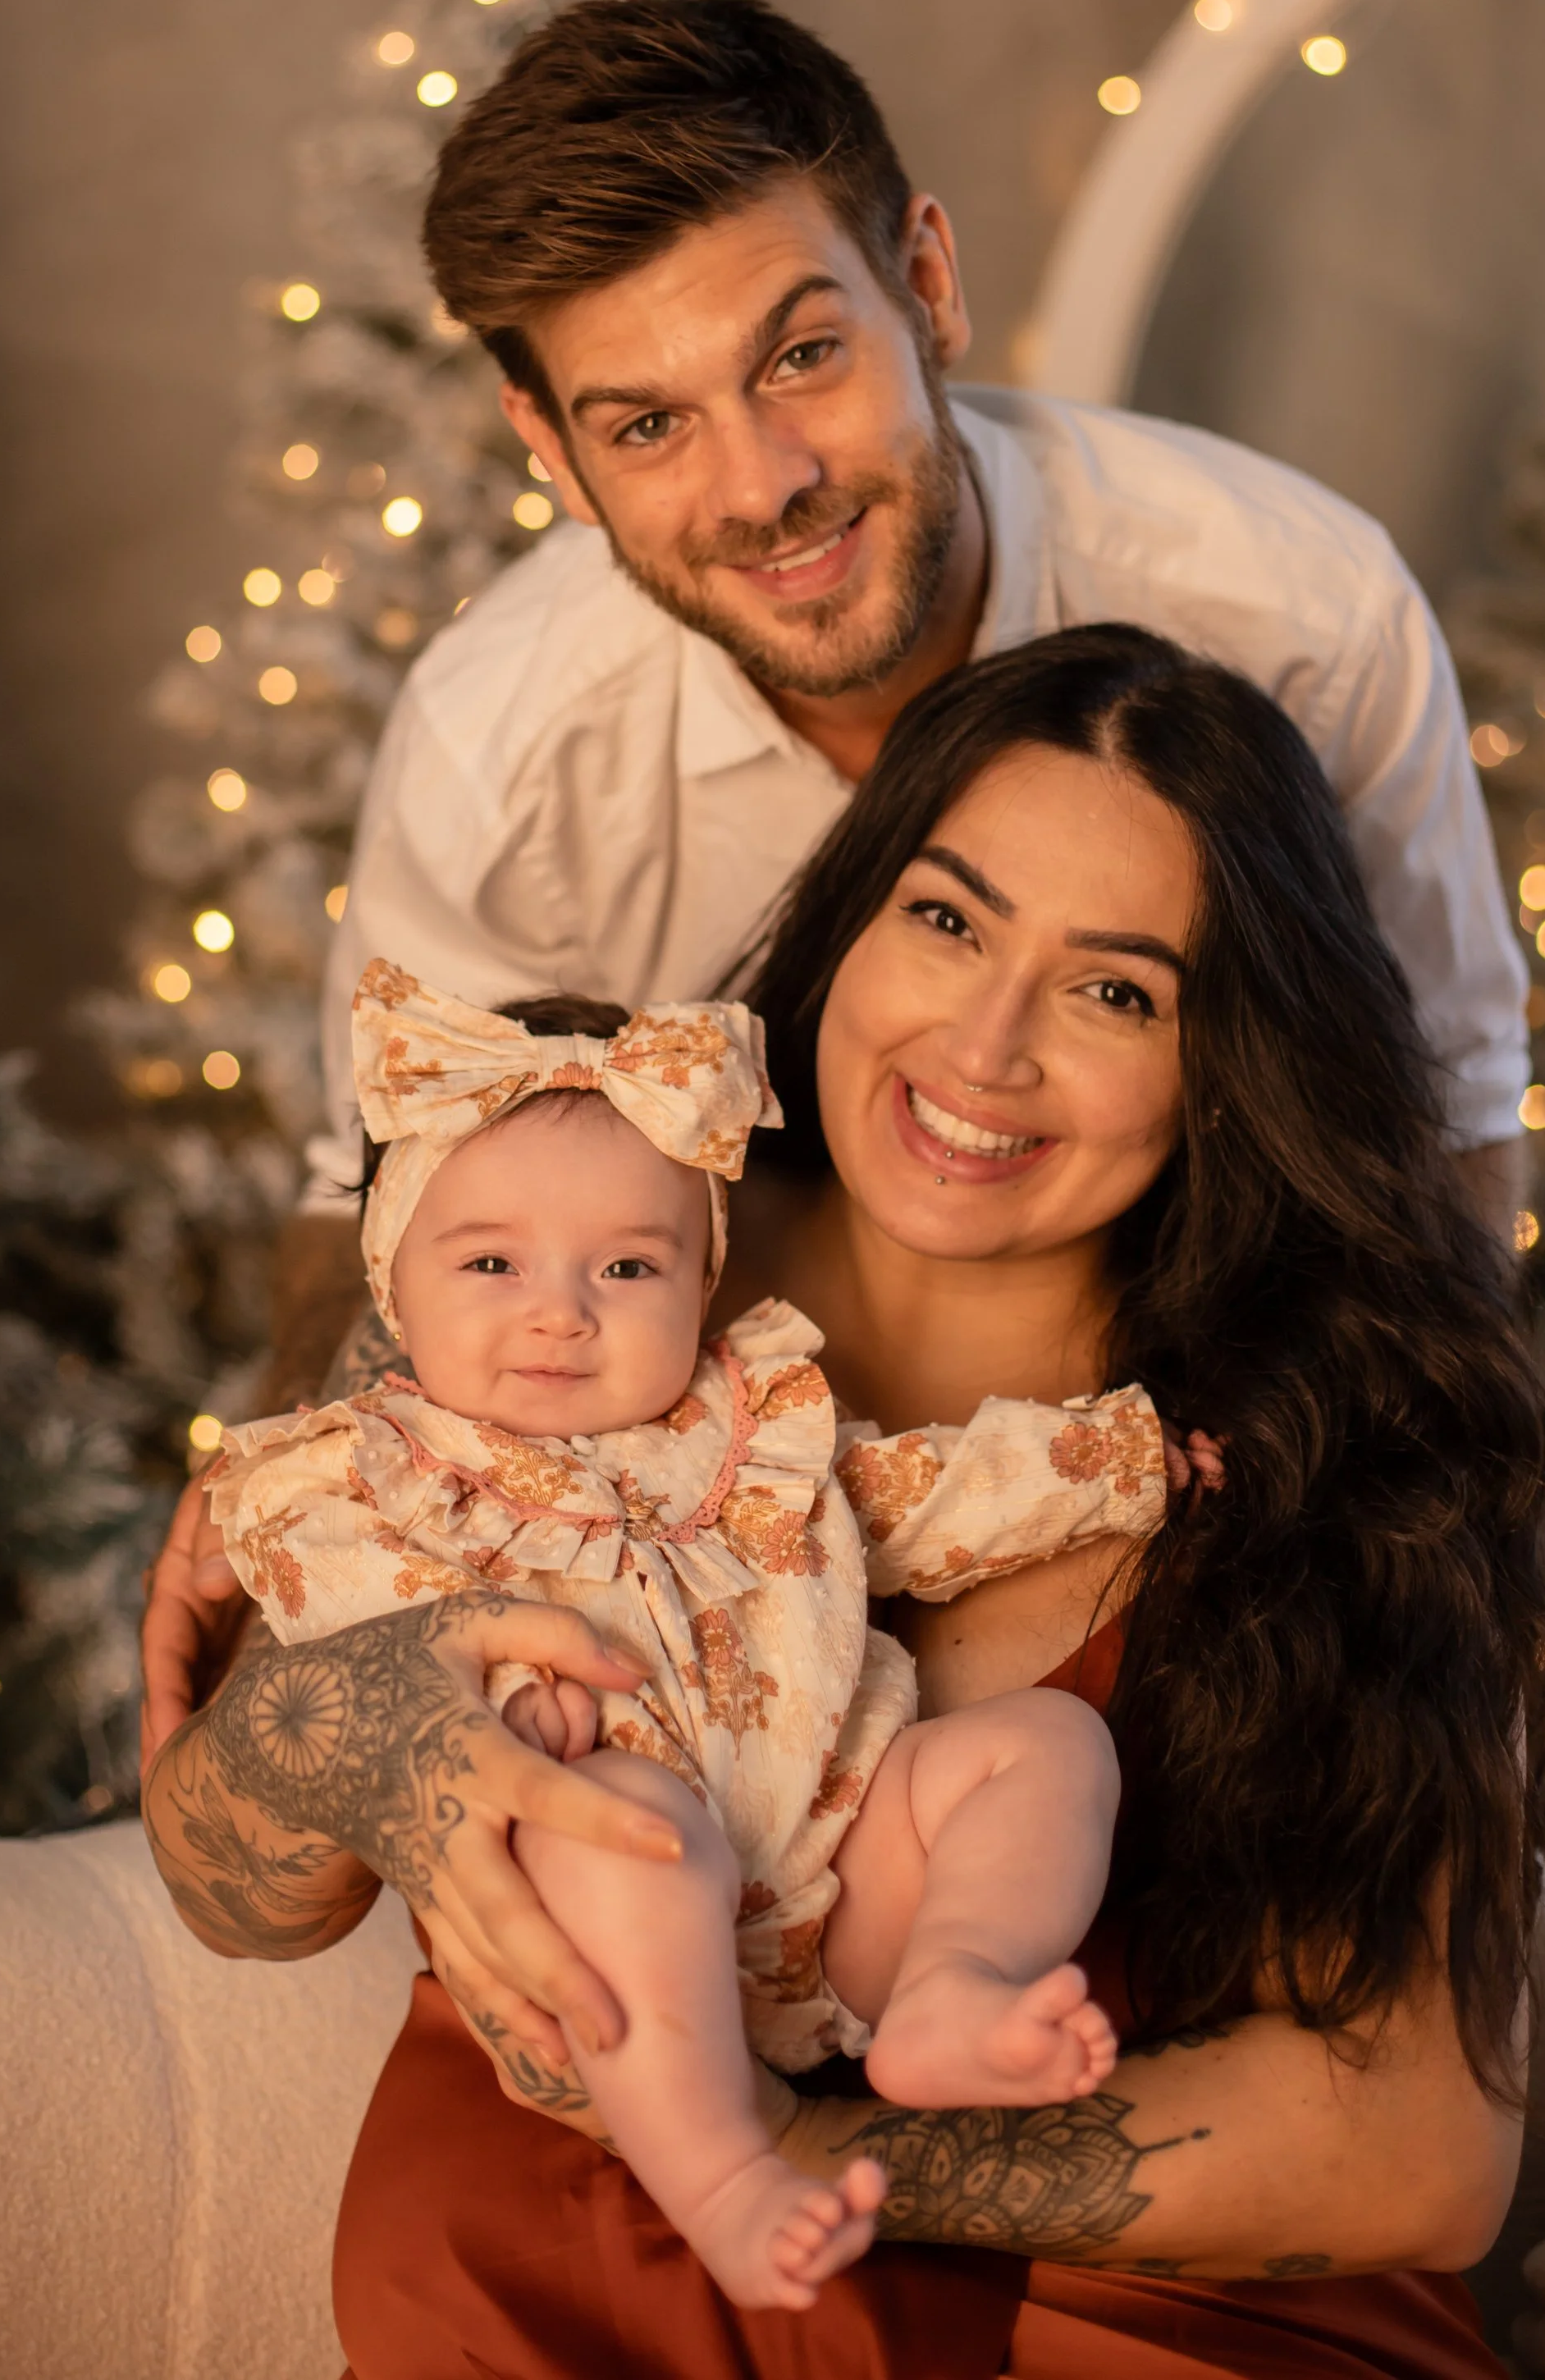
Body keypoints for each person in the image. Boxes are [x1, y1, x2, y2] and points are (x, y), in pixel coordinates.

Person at [143, 627, 1545, 2379]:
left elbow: (1416, 2160)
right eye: (948, 919)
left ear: (1226, 1068)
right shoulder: (574, 1245)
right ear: (851, 915)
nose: (983, 1046)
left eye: (1113, 989)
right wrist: (324, 1721)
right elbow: (235, 1889)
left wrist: (794, 2153)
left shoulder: (1323, 1448)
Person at [141, 0, 1531, 1758]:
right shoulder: (503, 752)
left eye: (800, 355)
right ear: (543, 451)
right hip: (691, 1568)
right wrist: (302, 1536)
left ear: (926, 284)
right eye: (643, 426)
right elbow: (396, 1202)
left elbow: (1443, 1130)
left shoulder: (1298, 616)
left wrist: (1443, 1595)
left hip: (1182, 1511)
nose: (765, 484)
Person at [207, 962, 1178, 2309]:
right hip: (615, 1884)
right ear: (393, 1281)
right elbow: (346, 1621)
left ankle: (958, 1983)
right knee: (632, 1832)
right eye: (491, 1260)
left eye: (627, 1265)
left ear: (702, 1279)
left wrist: (1125, 1459)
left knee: (1045, 1744)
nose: (562, 1308)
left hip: (839, 1876)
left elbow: (927, 1496)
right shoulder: (363, 1475)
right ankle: (724, 2171)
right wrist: (480, 1704)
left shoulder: (755, 1427)